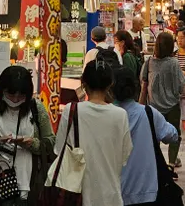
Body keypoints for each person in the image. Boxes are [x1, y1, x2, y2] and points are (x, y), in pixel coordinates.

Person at [0, 64, 55, 204]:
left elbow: (51, 142)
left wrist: (31, 143)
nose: (15, 99)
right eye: (11, 94)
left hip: (29, 183)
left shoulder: (36, 108)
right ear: (2, 91)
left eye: (21, 95)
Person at [56, 61, 132, 206]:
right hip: (111, 196)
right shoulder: (120, 115)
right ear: (111, 84)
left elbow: (59, 150)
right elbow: (125, 155)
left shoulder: (71, 111)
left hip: (76, 195)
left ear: (83, 83)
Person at [113, 68, 178, 206]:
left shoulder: (108, 116)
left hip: (115, 190)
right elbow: (172, 135)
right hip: (147, 190)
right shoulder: (148, 113)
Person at [139, 30, 185, 168]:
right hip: (172, 106)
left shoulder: (149, 62)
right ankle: (171, 163)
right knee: (174, 135)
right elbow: (181, 85)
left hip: (153, 106)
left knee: (154, 136)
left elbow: (144, 86)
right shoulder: (173, 63)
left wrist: (140, 106)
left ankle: (157, 164)